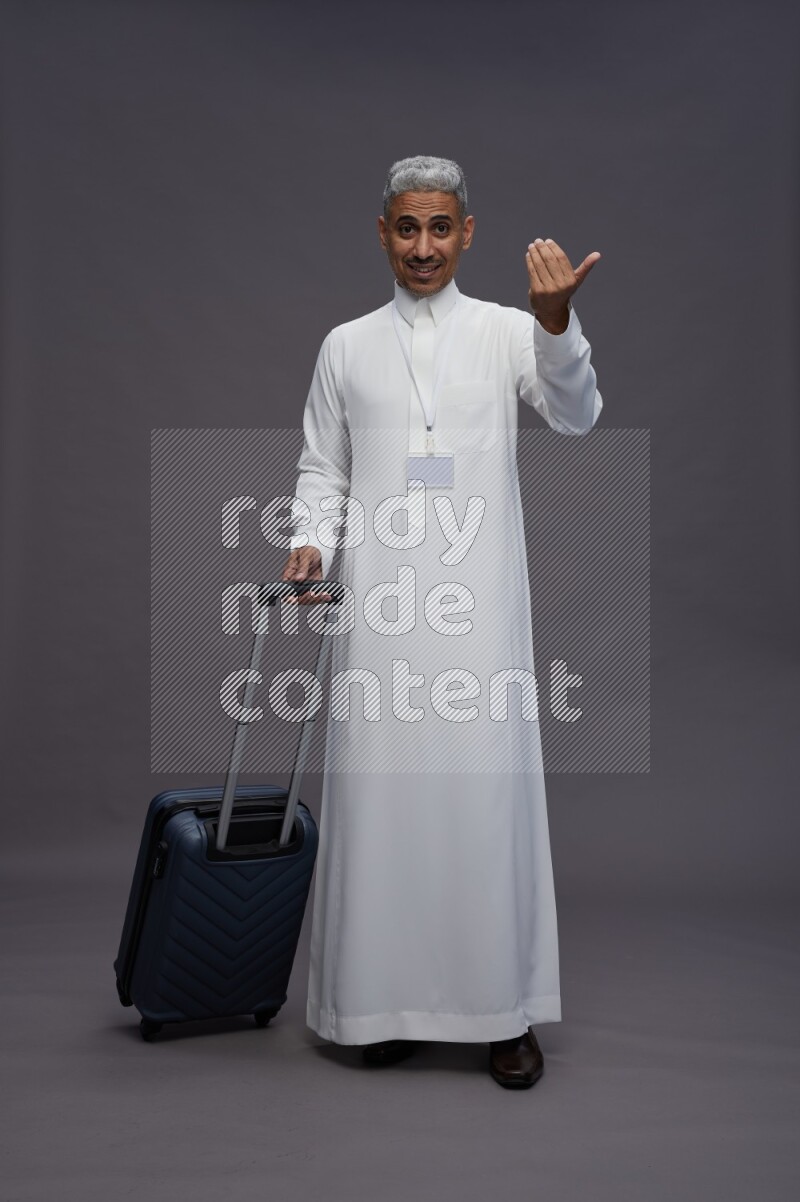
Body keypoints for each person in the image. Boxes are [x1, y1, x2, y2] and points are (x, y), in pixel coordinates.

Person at [280, 155, 602, 1088]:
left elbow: (578, 415)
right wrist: (310, 541)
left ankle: (504, 1015)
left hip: (480, 614)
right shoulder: (345, 345)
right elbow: (321, 470)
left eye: (441, 228)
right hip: (379, 609)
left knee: (481, 805)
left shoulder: (511, 332)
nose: (424, 247)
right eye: (407, 228)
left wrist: (558, 327)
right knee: (383, 809)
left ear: (467, 234)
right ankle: (379, 1005)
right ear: (382, 233)